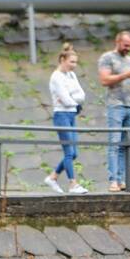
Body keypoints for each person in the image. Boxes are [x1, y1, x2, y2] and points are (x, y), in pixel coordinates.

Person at [97, 31, 130, 193]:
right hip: (115, 105)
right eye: (126, 45)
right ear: (117, 42)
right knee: (114, 143)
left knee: (125, 145)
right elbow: (104, 80)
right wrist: (125, 75)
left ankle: (123, 180)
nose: (128, 49)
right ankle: (113, 181)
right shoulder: (107, 58)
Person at [45, 43, 88, 195]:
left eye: (76, 62)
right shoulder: (56, 77)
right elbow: (65, 99)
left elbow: (81, 95)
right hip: (61, 115)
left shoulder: (71, 75)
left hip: (71, 115)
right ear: (63, 59)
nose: (74, 65)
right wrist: (74, 100)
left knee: (74, 153)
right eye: (72, 62)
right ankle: (73, 184)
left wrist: (73, 99)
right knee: (69, 152)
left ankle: (53, 177)